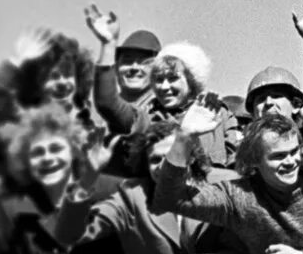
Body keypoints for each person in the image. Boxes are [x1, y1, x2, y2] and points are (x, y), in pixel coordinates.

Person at [152, 101, 303, 254]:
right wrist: (184, 137)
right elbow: (173, 198)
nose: (290, 162)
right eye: (278, 156)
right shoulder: (238, 196)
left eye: (294, 152)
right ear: (254, 161)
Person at [57, 120, 248, 254]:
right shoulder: (132, 195)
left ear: (191, 157)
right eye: (156, 160)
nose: (165, 166)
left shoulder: (229, 186)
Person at [85, 13, 234, 169]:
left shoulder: (219, 113)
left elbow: (238, 165)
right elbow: (107, 103)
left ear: (191, 80)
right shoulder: (147, 116)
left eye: (173, 78)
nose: (164, 86)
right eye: (158, 79)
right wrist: (108, 45)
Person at [0, 105, 119, 254]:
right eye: (37, 152)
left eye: (56, 148)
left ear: (73, 150)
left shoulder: (113, 191)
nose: (47, 158)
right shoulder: (11, 208)